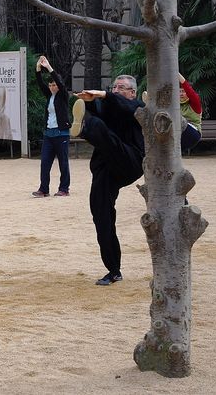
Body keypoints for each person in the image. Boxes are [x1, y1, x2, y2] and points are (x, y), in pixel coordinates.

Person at [70, 75, 145, 286]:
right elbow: (101, 108)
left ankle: (85, 128)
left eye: (122, 87)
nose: (116, 90)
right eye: (114, 87)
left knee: (101, 130)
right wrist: (88, 102)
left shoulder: (138, 108)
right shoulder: (109, 106)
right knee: (100, 215)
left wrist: (104, 95)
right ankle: (113, 270)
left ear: (132, 93)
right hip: (107, 168)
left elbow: (125, 107)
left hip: (130, 160)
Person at [32, 55, 71, 198]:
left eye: (54, 85)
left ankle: (64, 188)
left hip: (62, 133)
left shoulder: (63, 95)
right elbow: (39, 82)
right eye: (50, 85)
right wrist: (38, 69)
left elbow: (60, 83)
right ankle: (43, 189)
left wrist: (48, 67)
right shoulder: (49, 97)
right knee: (45, 163)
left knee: (63, 163)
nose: (52, 87)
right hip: (49, 134)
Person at [179, 73, 203, 151]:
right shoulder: (174, 105)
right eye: (179, 91)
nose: (181, 94)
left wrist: (175, 71)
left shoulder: (195, 104)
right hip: (180, 136)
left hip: (193, 133)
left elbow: (188, 88)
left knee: (176, 117)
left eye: (183, 91)